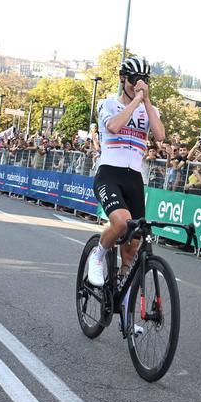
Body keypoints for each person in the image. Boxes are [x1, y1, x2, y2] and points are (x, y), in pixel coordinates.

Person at [87, 57, 165, 287]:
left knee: (132, 250)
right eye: (134, 80)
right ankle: (98, 255)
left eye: (144, 80)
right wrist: (136, 101)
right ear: (123, 79)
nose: (138, 84)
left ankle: (126, 313)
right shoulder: (107, 104)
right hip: (109, 174)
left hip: (134, 179)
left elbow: (160, 136)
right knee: (122, 223)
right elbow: (113, 126)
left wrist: (146, 101)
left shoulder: (150, 110)